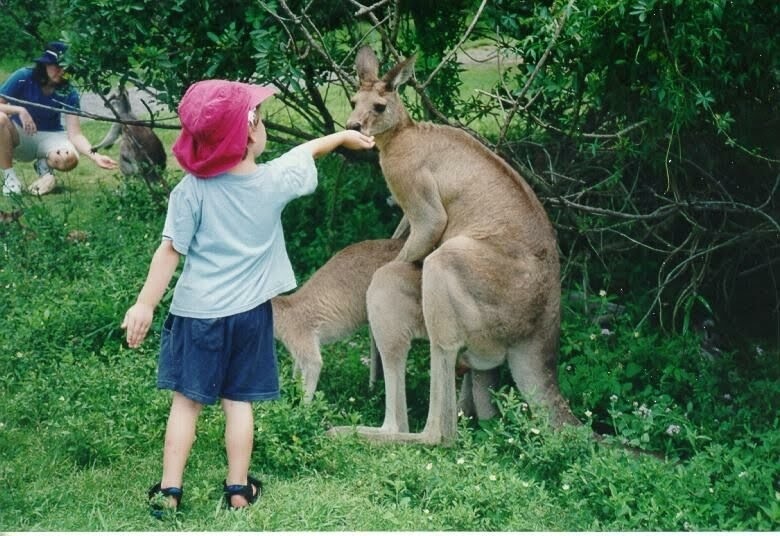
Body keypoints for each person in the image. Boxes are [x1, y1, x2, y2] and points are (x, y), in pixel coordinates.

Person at [121, 79, 375, 514]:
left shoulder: (190, 190)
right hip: (251, 317)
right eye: (259, 117)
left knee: (186, 405)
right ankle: (238, 490)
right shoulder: (273, 181)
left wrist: (144, 303)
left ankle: (169, 492)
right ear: (251, 132)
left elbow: (169, 251)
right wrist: (344, 137)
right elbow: (308, 151)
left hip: (197, 316)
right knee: (239, 403)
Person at [0, 41, 117, 196]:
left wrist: (95, 157)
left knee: (70, 159)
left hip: (51, 136)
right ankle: (10, 179)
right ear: (45, 65)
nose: (61, 71)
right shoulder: (23, 77)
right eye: (56, 65)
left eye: (65, 67)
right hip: (20, 136)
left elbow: (75, 134)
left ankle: (44, 166)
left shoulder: (69, 91)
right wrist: (20, 110)